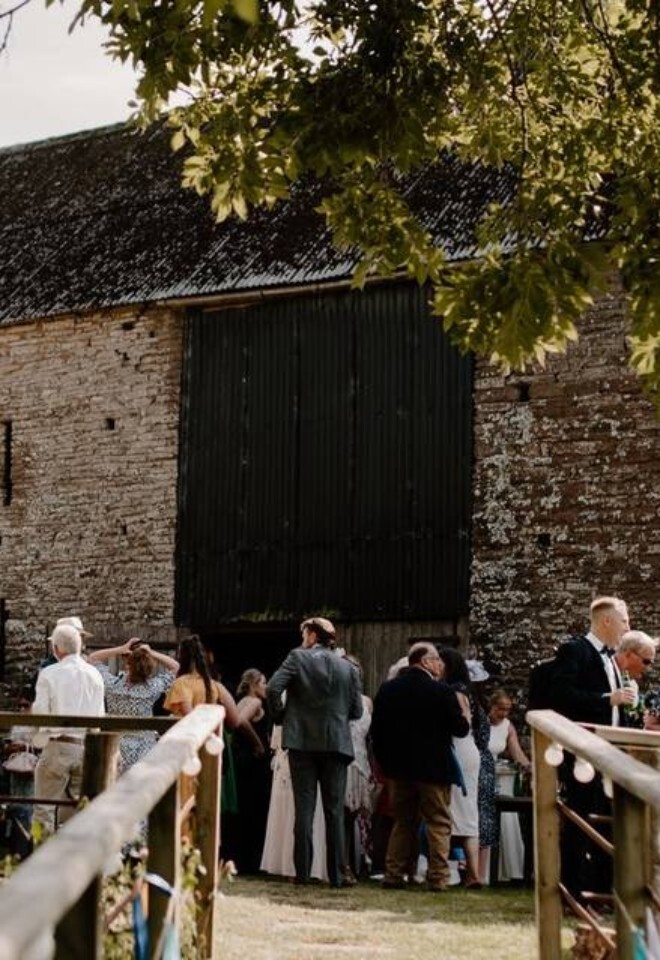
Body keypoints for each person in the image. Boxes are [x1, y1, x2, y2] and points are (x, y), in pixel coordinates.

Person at [266, 616, 363, 888]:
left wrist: (281, 717)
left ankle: (304, 875)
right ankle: (337, 876)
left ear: (311, 635)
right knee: (334, 812)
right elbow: (356, 711)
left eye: (303, 633)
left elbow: (273, 688)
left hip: (302, 742)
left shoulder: (297, 657)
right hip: (336, 743)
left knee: (304, 810)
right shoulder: (349, 668)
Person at [549, 596, 634, 898]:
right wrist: (605, 699)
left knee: (606, 821)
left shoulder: (611, 658)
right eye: (624, 620)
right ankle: (572, 889)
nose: (628, 626)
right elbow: (560, 694)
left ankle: (602, 890)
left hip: (609, 754)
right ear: (606, 620)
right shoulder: (575, 650)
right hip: (583, 753)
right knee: (579, 820)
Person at [371, 642, 469, 892]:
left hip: (399, 769)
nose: (440, 664)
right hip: (433, 769)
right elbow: (460, 729)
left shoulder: (388, 690)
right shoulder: (441, 691)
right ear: (424, 661)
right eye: (436, 659)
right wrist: (465, 715)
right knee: (438, 822)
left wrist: (386, 763)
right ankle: (438, 877)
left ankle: (393, 874)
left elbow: (377, 732)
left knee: (402, 822)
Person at [32, 623, 105, 834]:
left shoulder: (49, 673)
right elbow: (99, 718)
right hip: (86, 748)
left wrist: (40, 742)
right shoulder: (95, 675)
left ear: (56, 648)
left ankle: (42, 860)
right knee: (82, 810)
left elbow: (41, 713)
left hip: (58, 744)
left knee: (44, 809)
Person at [87, 638, 179, 772]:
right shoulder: (151, 689)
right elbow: (175, 666)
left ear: (127, 665)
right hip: (145, 749)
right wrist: (150, 652)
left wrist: (121, 649)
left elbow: (92, 659)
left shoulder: (112, 687)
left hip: (117, 749)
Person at [438, 647, 486, 888]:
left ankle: (452, 871)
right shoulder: (469, 691)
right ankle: (473, 872)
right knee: (467, 813)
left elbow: (463, 725)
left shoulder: (453, 692)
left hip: (457, 749)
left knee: (449, 811)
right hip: (470, 750)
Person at [487, 689, 531, 882]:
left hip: (500, 774)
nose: (503, 713)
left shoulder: (508, 726)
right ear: (491, 706)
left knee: (508, 818)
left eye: (507, 709)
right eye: (500, 709)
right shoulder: (480, 723)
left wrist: (529, 767)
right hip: (481, 771)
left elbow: (516, 752)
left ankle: (510, 869)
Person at [232, 669, 272, 874]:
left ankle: (242, 859)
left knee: (245, 808)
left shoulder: (240, 701)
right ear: (254, 684)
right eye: (264, 683)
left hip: (241, 759)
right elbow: (240, 721)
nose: (266, 687)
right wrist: (258, 744)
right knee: (256, 808)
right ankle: (252, 862)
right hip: (254, 762)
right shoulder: (254, 702)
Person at [343, 654, 373, 882]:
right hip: (344, 761)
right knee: (342, 814)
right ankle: (344, 864)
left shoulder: (366, 701)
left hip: (362, 762)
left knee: (359, 817)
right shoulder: (337, 699)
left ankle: (360, 862)